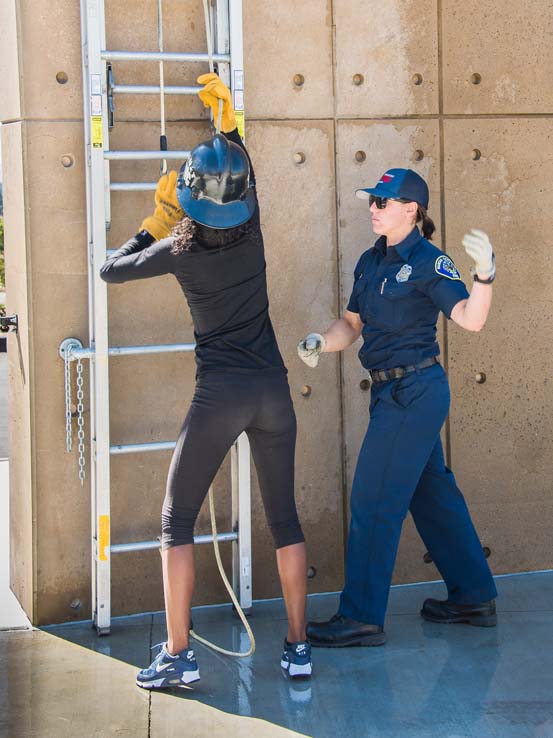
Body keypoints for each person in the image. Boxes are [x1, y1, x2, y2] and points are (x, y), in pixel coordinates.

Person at [101, 73, 312, 686]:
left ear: (188, 200)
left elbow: (111, 270)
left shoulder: (178, 250)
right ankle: (298, 650)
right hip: (272, 392)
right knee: (286, 520)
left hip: (219, 395)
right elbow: (241, 168)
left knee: (177, 519)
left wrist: (155, 219)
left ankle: (177, 655)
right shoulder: (256, 233)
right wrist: (227, 127)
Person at [298, 168, 498, 647]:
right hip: (391, 393)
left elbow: (470, 319)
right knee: (432, 496)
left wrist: (484, 274)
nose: (374, 208)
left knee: (372, 500)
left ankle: (361, 617)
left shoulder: (430, 261)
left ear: (412, 210)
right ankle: (473, 594)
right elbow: (351, 325)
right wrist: (320, 342)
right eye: (373, 200)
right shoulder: (370, 262)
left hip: (416, 392)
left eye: (383, 202)